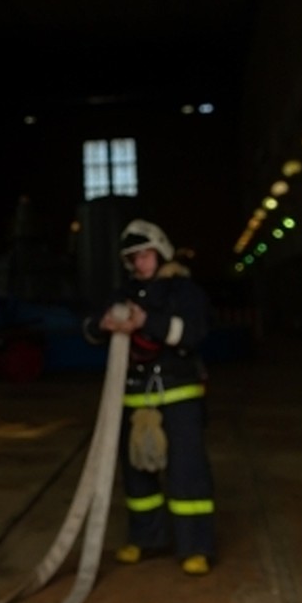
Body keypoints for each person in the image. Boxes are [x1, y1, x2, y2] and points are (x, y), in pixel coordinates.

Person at [82, 218, 215, 576]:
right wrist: (103, 324)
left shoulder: (183, 292)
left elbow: (193, 332)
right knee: (138, 475)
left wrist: (147, 322)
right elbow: (90, 328)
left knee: (187, 473)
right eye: (132, 258)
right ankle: (147, 539)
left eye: (144, 255)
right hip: (134, 398)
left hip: (178, 395)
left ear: (160, 252)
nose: (138, 263)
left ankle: (196, 547)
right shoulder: (123, 293)